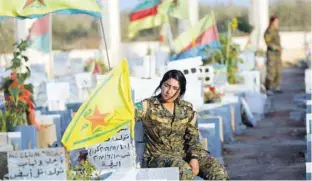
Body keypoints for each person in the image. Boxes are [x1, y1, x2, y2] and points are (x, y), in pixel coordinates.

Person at [134, 70, 229, 180]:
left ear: (180, 91)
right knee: (184, 170)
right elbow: (127, 113)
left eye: (175, 88)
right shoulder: (148, 106)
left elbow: (193, 137)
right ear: (161, 84)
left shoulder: (186, 109)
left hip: (184, 154)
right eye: (167, 85)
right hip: (158, 157)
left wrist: (194, 158)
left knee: (218, 171)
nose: (169, 91)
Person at [264, 15, 283, 95]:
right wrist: (276, 48)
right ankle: (269, 88)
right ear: (272, 22)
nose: (277, 23)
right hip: (271, 54)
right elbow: (268, 42)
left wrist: (280, 48)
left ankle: (276, 87)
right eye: (276, 21)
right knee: (271, 71)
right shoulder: (268, 31)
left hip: (277, 55)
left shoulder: (276, 30)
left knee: (278, 70)